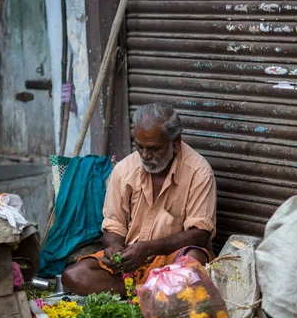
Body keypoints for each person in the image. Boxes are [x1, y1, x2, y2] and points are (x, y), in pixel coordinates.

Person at [62, 103, 217, 296]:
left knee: (193, 260)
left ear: (175, 143)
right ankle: (155, 294)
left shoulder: (199, 172)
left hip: (171, 258)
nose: (145, 155)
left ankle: (149, 293)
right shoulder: (124, 170)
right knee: (74, 277)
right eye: (139, 146)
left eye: (154, 149)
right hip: (131, 261)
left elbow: (200, 234)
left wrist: (150, 248)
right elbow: (113, 225)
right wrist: (114, 248)